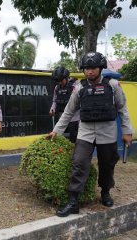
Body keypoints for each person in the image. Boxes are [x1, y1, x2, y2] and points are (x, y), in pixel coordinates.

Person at [47, 52, 133, 217]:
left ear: (100, 68)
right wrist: (56, 131)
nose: (90, 71)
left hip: (107, 133)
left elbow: (123, 108)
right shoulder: (79, 88)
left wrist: (127, 131)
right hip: (85, 133)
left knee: (107, 165)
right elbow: (68, 112)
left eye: (93, 68)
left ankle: (105, 192)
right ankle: (73, 201)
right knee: (79, 162)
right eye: (86, 68)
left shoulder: (113, 85)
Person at [49, 66, 80, 143]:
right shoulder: (57, 87)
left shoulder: (76, 85)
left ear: (66, 77)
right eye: (58, 81)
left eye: (61, 80)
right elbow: (55, 100)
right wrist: (52, 108)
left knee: (74, 140)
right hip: (62, 117)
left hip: (75, 118)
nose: (59, 82)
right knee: (62, 139)